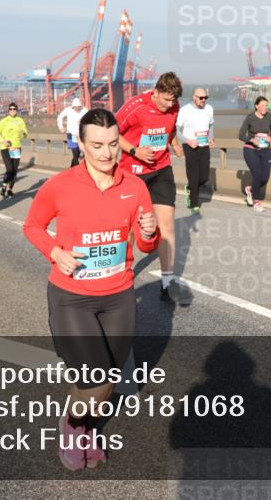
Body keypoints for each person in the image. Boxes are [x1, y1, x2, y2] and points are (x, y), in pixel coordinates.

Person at [23, 108, 160, 471]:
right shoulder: (59, 185)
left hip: (118, 296)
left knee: (109, 379)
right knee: (96, 378)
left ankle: (85, 424)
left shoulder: (134, 186)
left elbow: (147, 246)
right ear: (81, 144)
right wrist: (54, 251)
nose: (106, 153)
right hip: (72, 298)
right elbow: (33, 226)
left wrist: (148, 232)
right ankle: (72, 425)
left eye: (113, 144)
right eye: (97, 145)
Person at [115, 72, 191, 305]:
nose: (170, 105)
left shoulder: (174, 107)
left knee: (166, 225)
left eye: (173, 101)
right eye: (166, 100)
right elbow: (112, 132)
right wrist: (135, 151)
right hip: (132, 173)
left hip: (161, 171)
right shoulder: (135, 106)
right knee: (127, 228)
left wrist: (175, 145)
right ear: (155, 92)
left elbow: (170, 130)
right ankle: (122, 276)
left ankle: (167, 283)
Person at [176, 87, 215, 214]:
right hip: (190, 146)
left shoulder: (209, 109)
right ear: (194, 97)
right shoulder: (185, 110)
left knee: (204, 177)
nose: (203, 100)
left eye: (205, 98)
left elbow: (211, 125)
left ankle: (190, 188)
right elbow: (176, 130)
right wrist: (187, 141)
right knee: (193, 176)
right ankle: (194, 204)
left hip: (204, 146)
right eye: (201, 98)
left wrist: (211, 138)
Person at [239, 96, 271, 213]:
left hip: (265, 150)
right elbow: (241, 135)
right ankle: (257, 202)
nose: (266, 107)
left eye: (267, 105)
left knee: (265, 177)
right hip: (251, 149)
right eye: (263, 105)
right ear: (257, 106)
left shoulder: (269, 117)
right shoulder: (250, 118)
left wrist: (270, 137)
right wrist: (251, 139)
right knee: (257, 175)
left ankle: (250, 189)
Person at [0, 102, 29, 198]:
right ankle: (4, 186)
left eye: (14, 109)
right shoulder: (4, 121)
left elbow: (25, 133)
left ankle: (10, 190)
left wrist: (23, 134)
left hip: (16, 148)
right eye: (11, 109)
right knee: (9, 169)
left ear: (17, 110)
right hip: (6, 148)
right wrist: (3, 141)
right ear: (8, 110)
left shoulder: (20, 120)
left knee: (14, 171)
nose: (12, 110)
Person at [57, 98, 89, 167]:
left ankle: (71, 169)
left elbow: (91, 119)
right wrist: (61, 127)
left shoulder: (85, 110)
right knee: (75, 154)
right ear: (73, 107)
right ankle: (77, 171)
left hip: (81, 135)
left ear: (81, 106)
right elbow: (60, 117)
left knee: (78, 154)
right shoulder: (68, 110)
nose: (78, 109)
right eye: (76, 108)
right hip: (71, 134)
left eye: (79, 107)